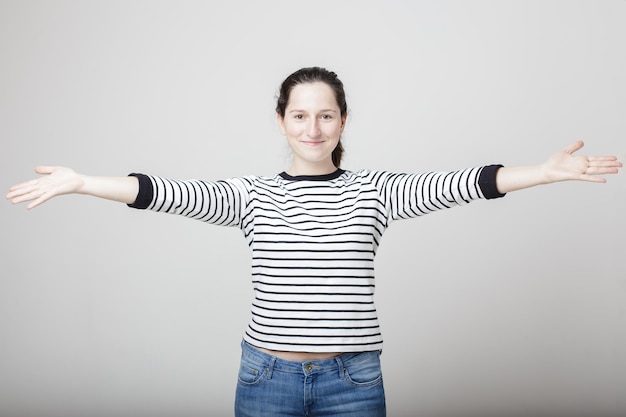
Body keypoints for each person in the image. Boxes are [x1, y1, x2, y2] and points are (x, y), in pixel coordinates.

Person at [6, 67, 622, 417]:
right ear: (282, 121)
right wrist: (83, 182)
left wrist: (541, 173)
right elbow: (162, 190)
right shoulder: (251, 194)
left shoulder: (375, 191)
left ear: (343, 121)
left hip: (352, 384)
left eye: (325, 114)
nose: (313, 126)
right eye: (299, 115)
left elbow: (461, 183)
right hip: (266, 379)